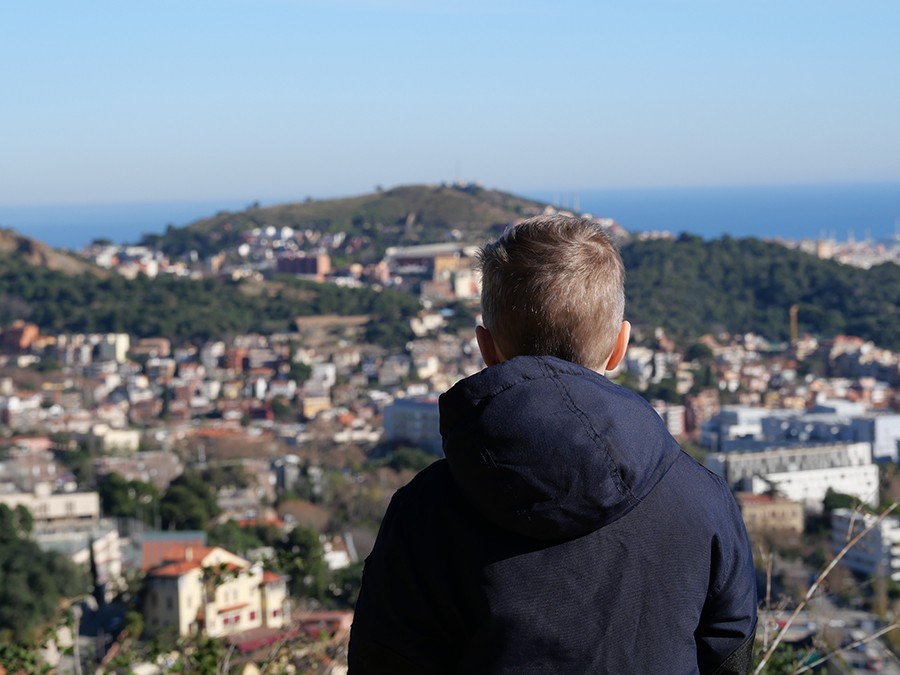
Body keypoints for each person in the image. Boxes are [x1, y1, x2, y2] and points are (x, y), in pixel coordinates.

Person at [349, 215, 757, 674]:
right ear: (620, 345)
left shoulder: (423, 511)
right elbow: (729, 652)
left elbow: (382, 660)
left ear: (486, 348)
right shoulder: (701, 499)